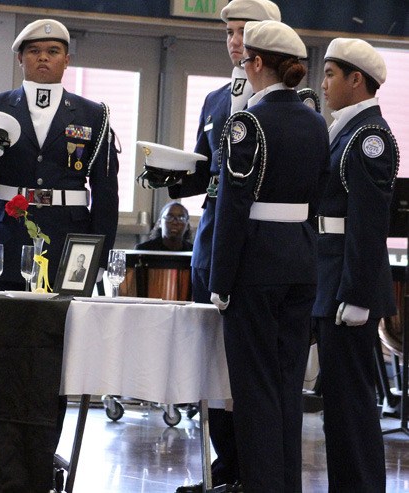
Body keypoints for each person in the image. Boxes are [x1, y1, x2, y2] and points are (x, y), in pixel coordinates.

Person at [208, 20, 329, 492]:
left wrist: (221, 280)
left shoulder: (248, 123)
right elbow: (317, 199)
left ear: (257, 63)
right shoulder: (315, 121)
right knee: (286, 387)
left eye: (245, 58)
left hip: (256, 267)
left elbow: (234, 207)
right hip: (300, 262)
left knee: (255, 391)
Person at [168, 1, 281, 491]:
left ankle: (251, 473)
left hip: (258, 249)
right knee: (210, 366)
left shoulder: (284, 103)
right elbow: (205, 173)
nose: (235, 42)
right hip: (211, 244)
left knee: (248, 371)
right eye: (230, 32)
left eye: (243, 33)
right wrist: (169, 175)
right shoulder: (215, 100)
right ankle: (225, 468)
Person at [0, 18, 119, 292]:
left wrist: (100, 256)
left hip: (68, 243)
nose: (43, 57)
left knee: (60, 333)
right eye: (34, 50)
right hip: (5, 237)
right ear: (20, 58)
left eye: (53, 51)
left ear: (66, 60)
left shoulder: (94, 114)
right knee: (0, 331)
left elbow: (105, 191)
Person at [313, 38, 398, 492]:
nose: (323, 84)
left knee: (354, 404)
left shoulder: (368, 137)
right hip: (331, 279)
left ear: (356, 79)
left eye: (330, 74)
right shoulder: (344, 129)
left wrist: (358, 295)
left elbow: (368, 223)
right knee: (340, 405)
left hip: (348, 286)